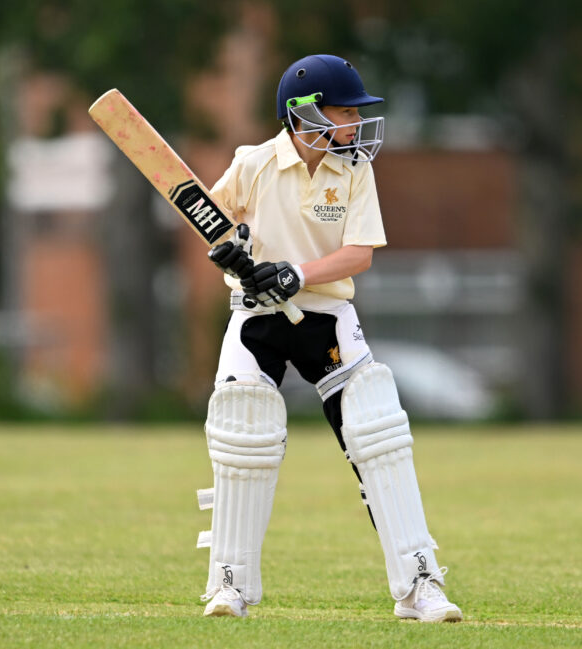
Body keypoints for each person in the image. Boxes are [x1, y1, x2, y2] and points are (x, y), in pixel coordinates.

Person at [197, 54, 463, 622]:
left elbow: (358, 254)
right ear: (305, 114)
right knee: (244, 431)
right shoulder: (255, 163)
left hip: (326, 317)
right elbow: (212, 218)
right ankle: (229, 584)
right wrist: (232, 252)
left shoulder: (354, 170)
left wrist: (294, 271)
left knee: (378, 432)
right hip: (256, 317)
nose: (356, 125)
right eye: (346, 112)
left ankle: (420, 585)